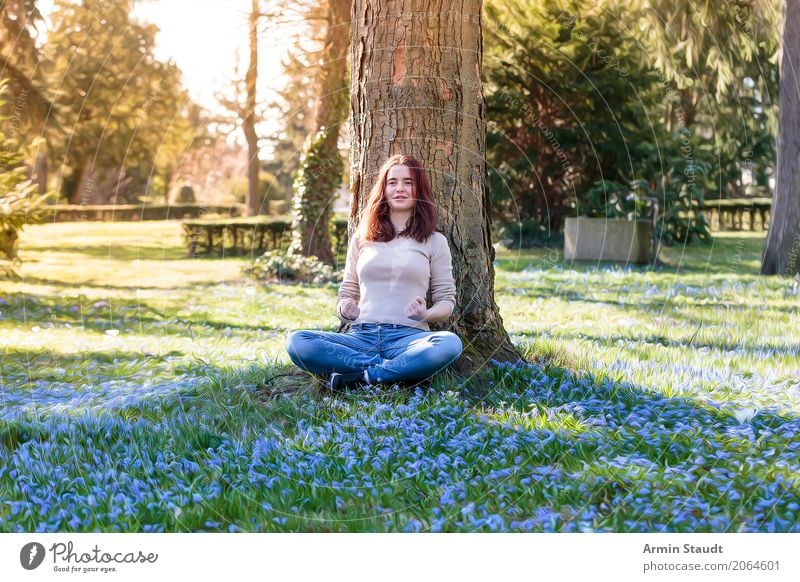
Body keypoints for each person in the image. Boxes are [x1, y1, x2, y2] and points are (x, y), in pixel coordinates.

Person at [285, 153, 463, 390]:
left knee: (449, 344)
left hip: (409, 338)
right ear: (384, 189)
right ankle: (393, 371)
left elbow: (446, 302)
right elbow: (347, 290)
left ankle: (360, 377)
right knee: (298, 342)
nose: (400, 188)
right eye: (392, 182)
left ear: (419, 189)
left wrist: (425, 315)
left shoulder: (434, 241)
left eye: (408, 182)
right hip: (360, 337)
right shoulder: (362, 238)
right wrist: (344, 309)